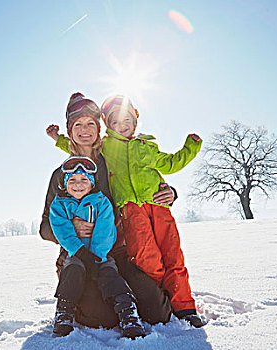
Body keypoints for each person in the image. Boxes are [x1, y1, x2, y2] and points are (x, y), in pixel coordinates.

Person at [50, 94, 204, 327]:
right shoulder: (62, 175)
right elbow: (47, 225)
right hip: (77, 255)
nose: (84, 130)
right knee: (102, 317)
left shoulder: (108, 158)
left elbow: (153, 169)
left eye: (91, 124)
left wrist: (171, 192)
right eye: (77, 125)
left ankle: (177, 301)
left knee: (157, 311)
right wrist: (74, 228)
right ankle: (76, 305)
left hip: (116, 251)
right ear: (70, 130)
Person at [50, 156, 145, 338]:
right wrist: (80, 253)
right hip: (75, 254)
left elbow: (105, 231)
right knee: (72, 271)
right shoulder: (59, 204)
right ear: (64, 183)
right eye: (73, 181)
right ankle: (64, 312)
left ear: (92, 183)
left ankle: (128, 313)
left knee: (110, 275)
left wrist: (98, 257)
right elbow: (63, 232)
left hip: (101, 255)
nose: (78, 184)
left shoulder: (101, 202)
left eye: (84, 180)